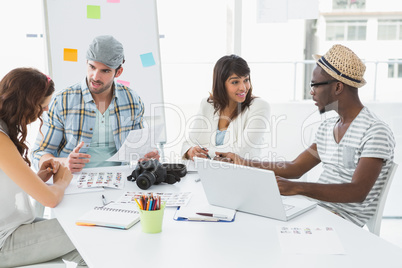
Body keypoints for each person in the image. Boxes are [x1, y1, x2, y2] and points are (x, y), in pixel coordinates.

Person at [217, 44, 395, 227]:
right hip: (315, 210)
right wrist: (243, 162)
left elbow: (357, 192)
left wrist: (297, 188)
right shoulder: (328, 127)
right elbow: (296, 167)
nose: (311, 92)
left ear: (338, 87)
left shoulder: (375, 131)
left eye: (315, 85)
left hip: (341, 222)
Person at [31, 35, 159, 172]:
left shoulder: (132, 100)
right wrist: (64, 162)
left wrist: (148, 156)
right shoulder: (61, 101)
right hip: (72, 182)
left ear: (118, 72)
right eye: (92, 67)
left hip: (120, 180)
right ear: (86, 63)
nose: (95, 77)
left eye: (105, 71)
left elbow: (139, 149)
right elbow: (38, 154)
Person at [0, 68, 86, 267]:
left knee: (88, 249)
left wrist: (38, 178)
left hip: (16, 228)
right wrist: (62, 181)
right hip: (5, 242)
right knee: (85, 231)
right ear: (26, 104)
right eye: (42, 106)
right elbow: (50, 200)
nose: (45, 111)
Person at [182, 54, 270, 161]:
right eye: (235, 82)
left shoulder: (260, 106)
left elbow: (239, 152)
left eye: (246, 80)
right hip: (209, 172)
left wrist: (200, 152)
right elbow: (188, 144)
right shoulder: (207, 105)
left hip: (242, 174)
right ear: (221, 84)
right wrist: (190, 152)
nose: (243, 88)